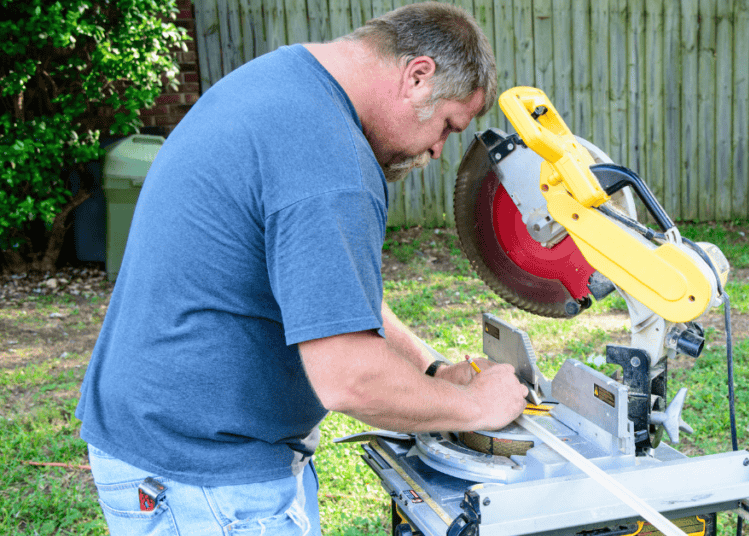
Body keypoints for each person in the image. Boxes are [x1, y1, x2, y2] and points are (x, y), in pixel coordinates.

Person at [75, 3, 529, 534]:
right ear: (418, 75)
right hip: (205, 477)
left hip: (165, 444)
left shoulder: (287, 81)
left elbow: (328, 293)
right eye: (449, 126)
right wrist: (474, 406)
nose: (437, 149)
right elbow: (350, 380)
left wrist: (432, 370)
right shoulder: (331, 158)